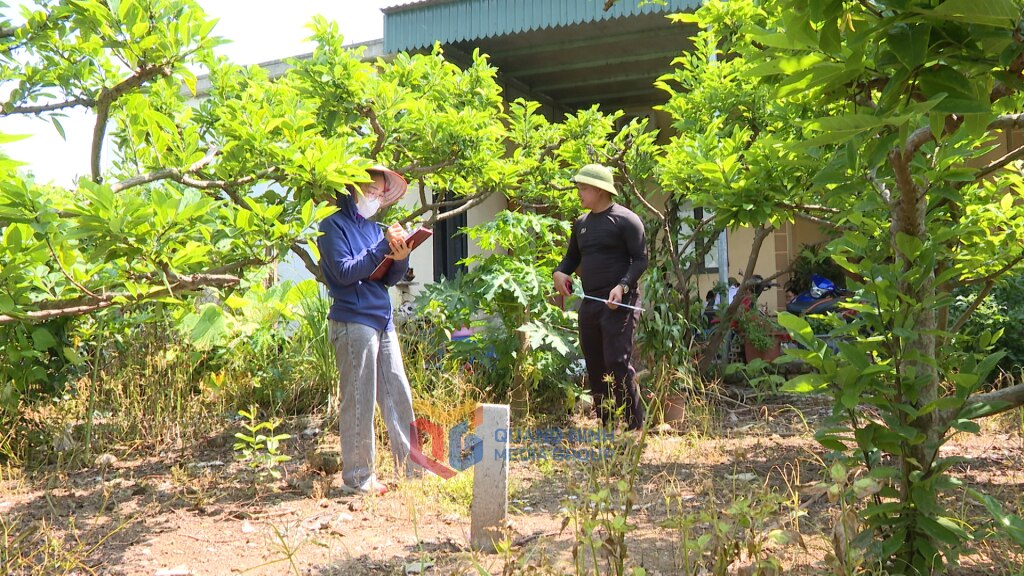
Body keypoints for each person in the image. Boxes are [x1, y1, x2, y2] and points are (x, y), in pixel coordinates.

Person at [318, 164, 418, 495]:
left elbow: (388, 276)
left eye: (378, 194)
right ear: (351, 191)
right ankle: (359, 478)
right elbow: (346, 272)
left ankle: (414, 467)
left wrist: (400, 255)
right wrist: (381, 249)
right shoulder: (332, 227)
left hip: (382, 318)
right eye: (369, 192)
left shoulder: (378, 229)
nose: (374, 199)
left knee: (398, 392)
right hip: (352, 319)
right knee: (360, 397)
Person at [553, 164, 649, 431]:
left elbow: (641, 260)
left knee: (617, 362)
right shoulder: (581, 224)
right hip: (592, 302)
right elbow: (571, 258)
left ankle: (633, 427)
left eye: (583, 188)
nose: (579, 194)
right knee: (594, 364)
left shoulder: (626, 220)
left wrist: (622, 286)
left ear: (599, 189)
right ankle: (606, 425)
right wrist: (559, 273)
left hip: (620, 302)